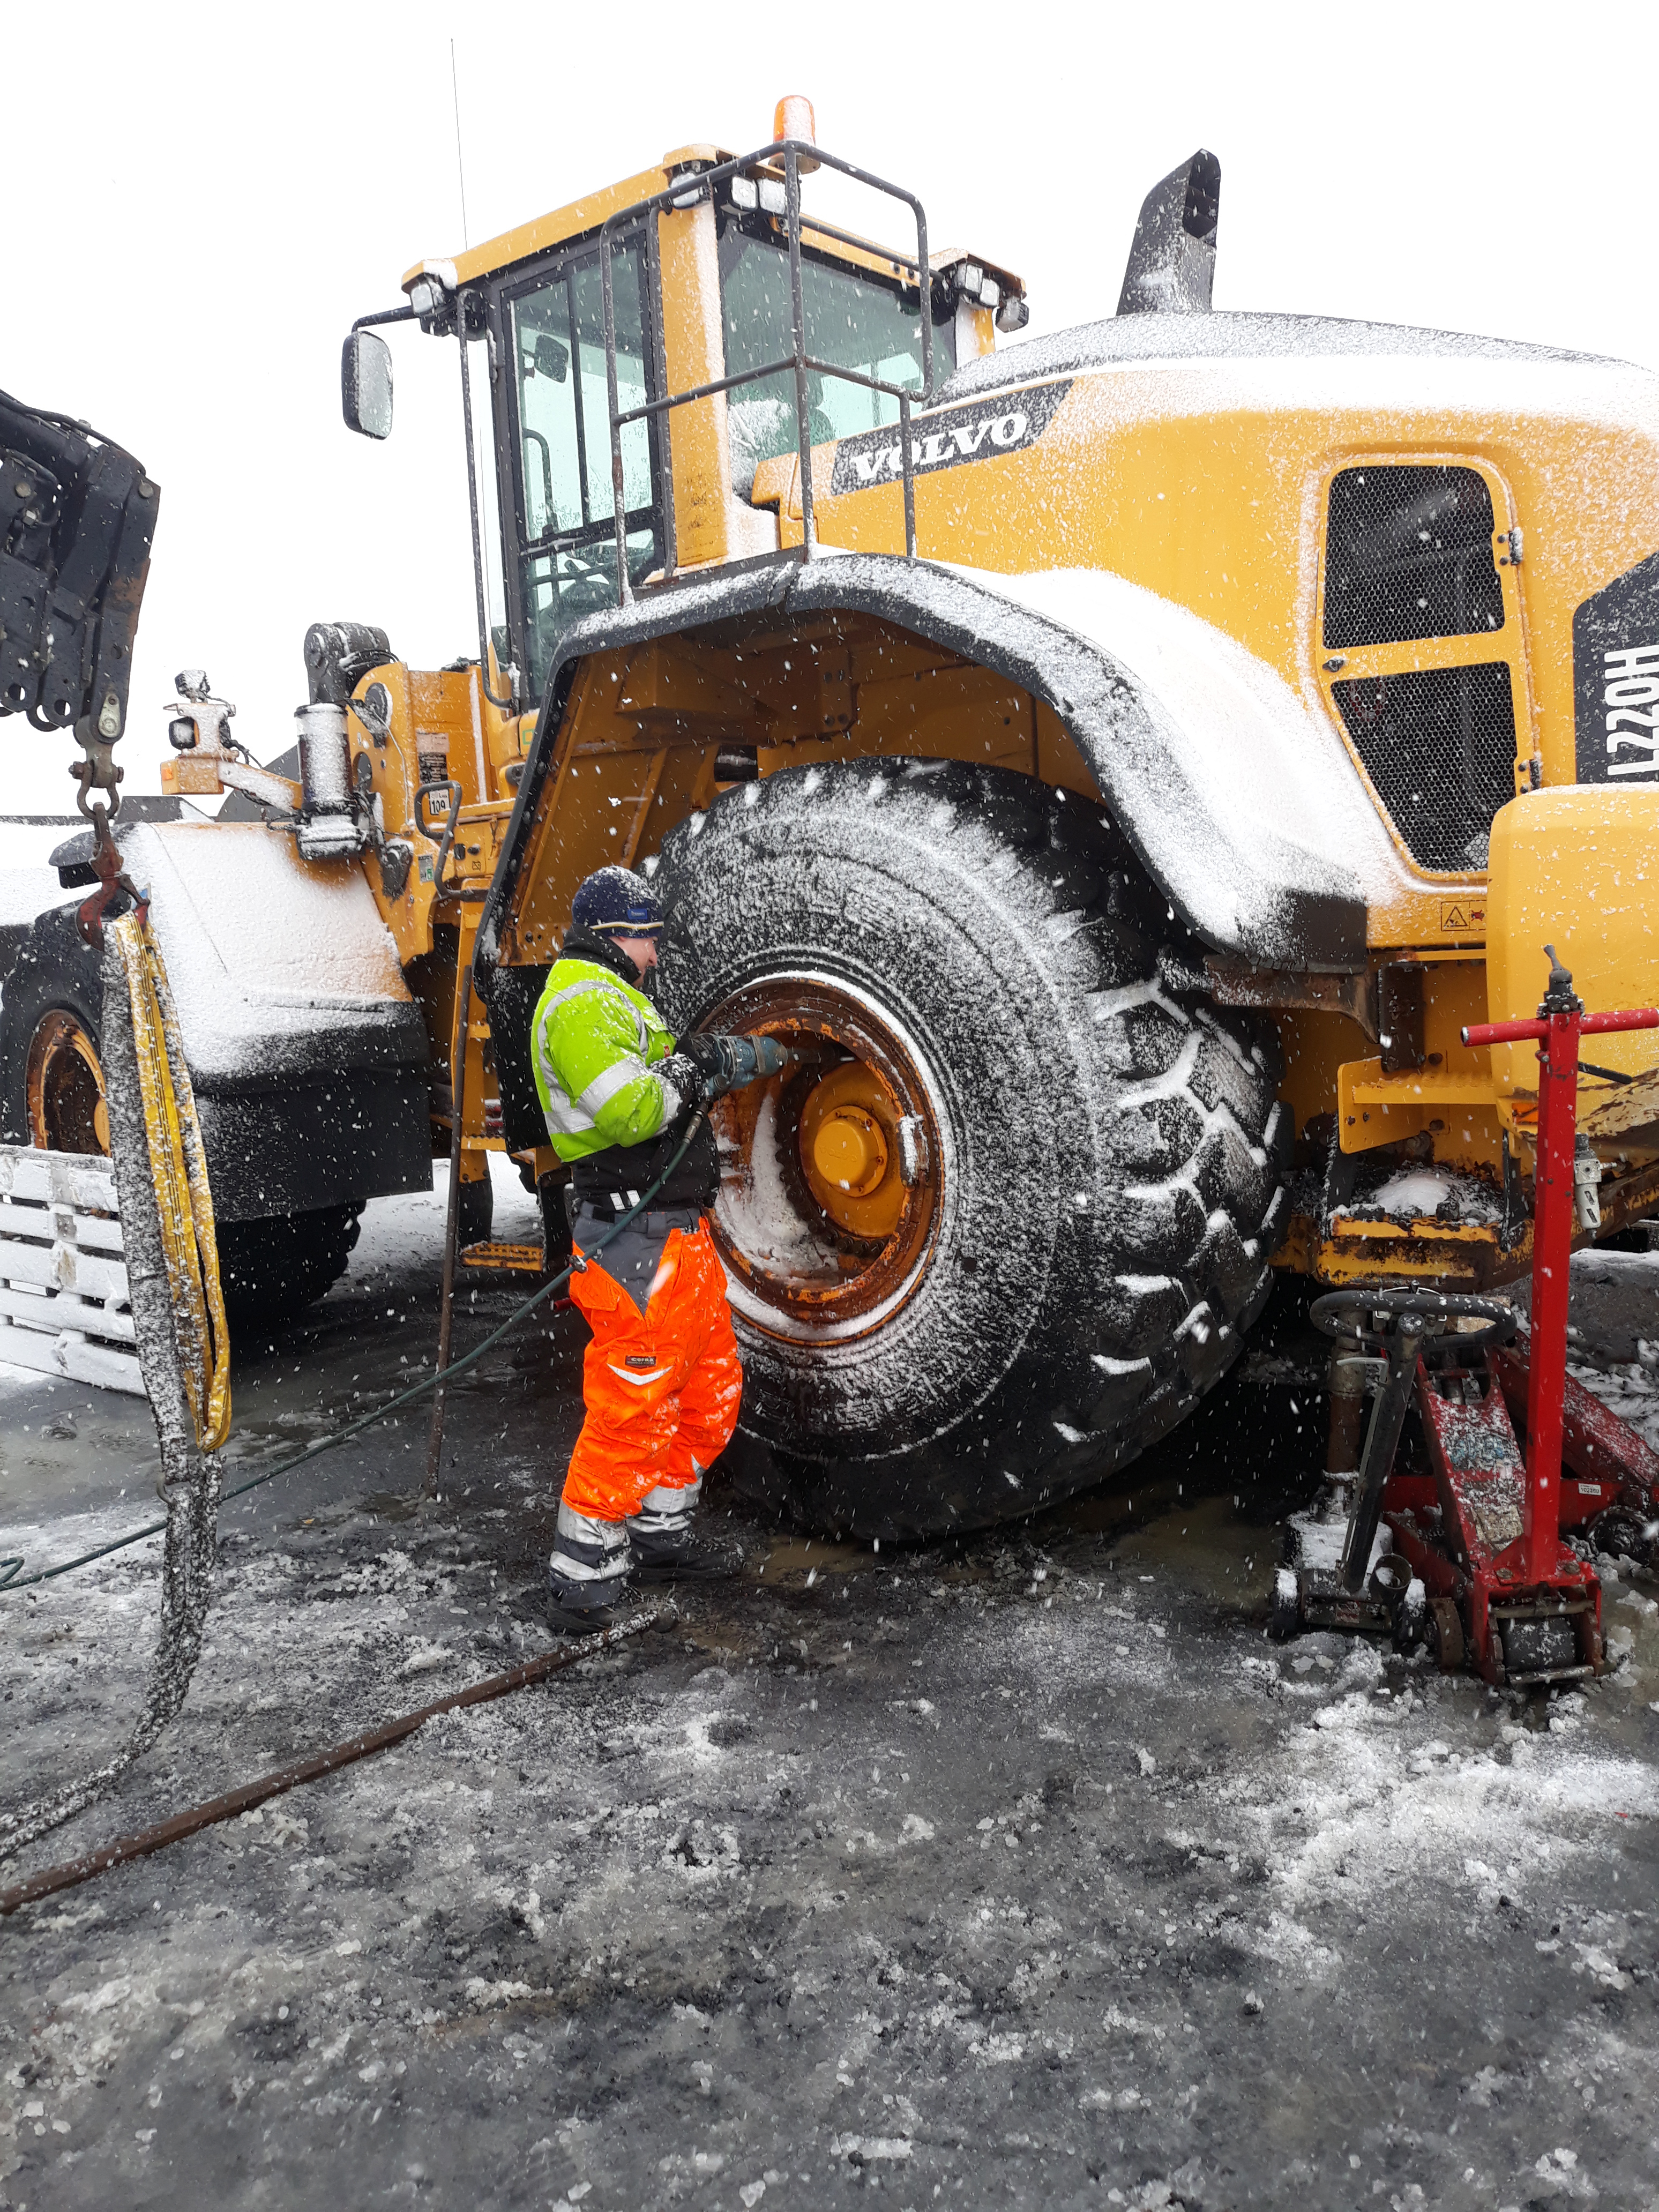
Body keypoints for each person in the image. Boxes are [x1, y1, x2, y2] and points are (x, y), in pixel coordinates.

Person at [531, 864, 784, 1632]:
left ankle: (659, 1537)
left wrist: (716, 1062)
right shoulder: (577, 1006)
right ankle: (584, 1581)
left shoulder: (619, 1000)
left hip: (677, 1233)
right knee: (634, 1408)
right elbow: (635, 1111)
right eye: (647, 938)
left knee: (706, 1393)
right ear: (613, 935)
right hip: (630, 1237)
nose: (656, 954)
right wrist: (694, 1065)